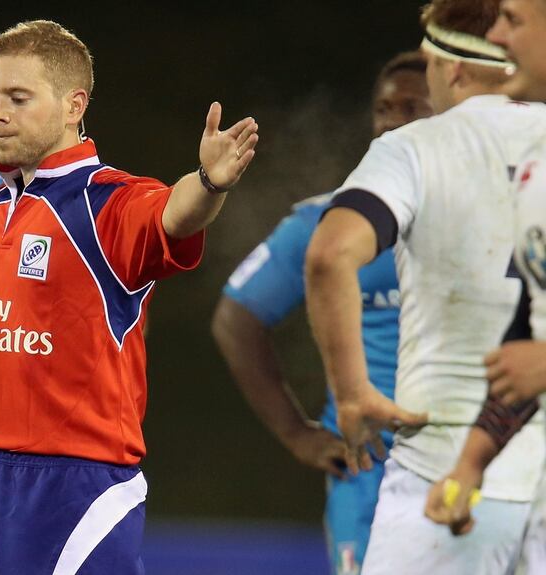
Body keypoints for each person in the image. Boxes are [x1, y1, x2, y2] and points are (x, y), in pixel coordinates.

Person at [0, 19, 258, 574]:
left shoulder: (109, 203)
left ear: (72, 105)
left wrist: (208, 184)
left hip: (78, 489)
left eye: (18, 97)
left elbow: (172, 215)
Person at [304, 0, 546, 572]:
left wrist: (353, 392)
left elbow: (330, 253)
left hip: (441, 466)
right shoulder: (533, 153)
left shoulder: (418, 148)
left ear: (452, 68)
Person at [212, 50, 432, 575]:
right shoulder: (328, 222)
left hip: (476, 467)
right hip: (369, 478)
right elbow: (236, 319)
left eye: (413, 107)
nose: (391, 121)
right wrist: (298, 434)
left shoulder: (504, 216)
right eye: (383, 108)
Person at [422, 0, 546, 559]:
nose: (495, 34)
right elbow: (530, 324)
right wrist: (472, 462)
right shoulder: (535, 163)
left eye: (514, 20)